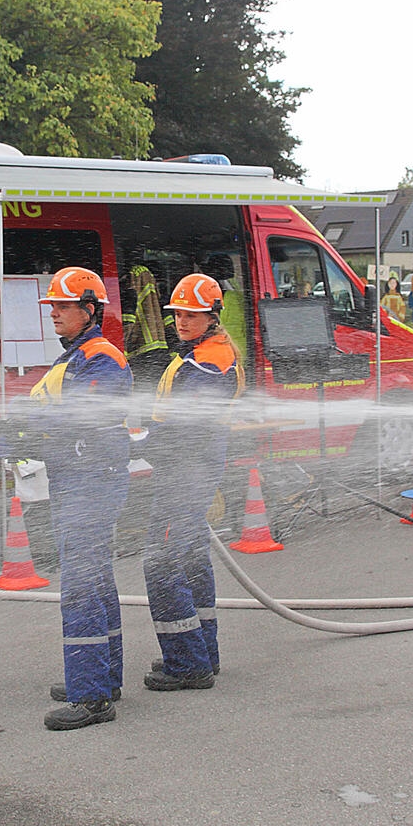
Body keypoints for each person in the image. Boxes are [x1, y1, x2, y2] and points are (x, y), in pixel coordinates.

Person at [0, 266, 132, 731]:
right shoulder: (73, 358)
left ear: (89, 309)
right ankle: (103, 678)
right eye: (52, 306)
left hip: (92, 482)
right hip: (77, 478)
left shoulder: (101, 358)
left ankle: (91, 696)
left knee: (80, 586)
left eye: (63, 306)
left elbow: (78, 418)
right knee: (95, 581)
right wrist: (13, 428)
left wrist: (26, 429)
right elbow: (54, 415)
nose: (53, 313)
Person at [141, 273, 243, 692]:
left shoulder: (209, 362)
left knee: (162, 563)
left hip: (185, 472)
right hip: (191, 468)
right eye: (178, 314)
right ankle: (202, 652)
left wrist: (141, 443)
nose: (181, 321)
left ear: (212, 316)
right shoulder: (204, 353)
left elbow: (188, 426)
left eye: (192, 315)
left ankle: (187, 664)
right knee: (191, 560)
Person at [120, 263, 171, 391]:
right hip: (160, 353)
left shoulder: (130, 295)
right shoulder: (159, 296)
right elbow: (170, 327)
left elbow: (126, 328)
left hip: (141, 356)